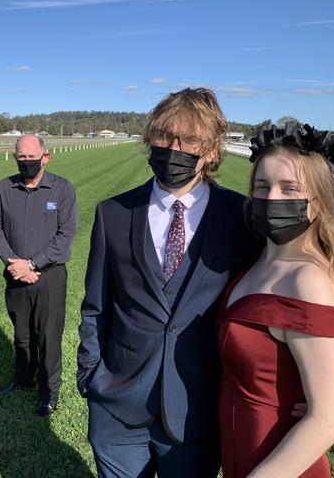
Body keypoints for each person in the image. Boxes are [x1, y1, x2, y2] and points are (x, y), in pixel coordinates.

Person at [77, 88, 260, 477]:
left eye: (189, 140)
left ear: (211, 150)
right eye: (164, 136)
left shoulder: (240, 218)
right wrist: (91, 377)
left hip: (199, 410)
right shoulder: (113, 214)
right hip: (117, 409)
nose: (173, 147)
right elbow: (96, 305)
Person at [217, 123, 334, 477]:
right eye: (262, 187)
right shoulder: (260, 261)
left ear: (320, 201)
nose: (272, 199)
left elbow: (328, 420)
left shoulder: (309, 281)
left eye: (290, 188)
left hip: (279, 463)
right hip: (242, 448)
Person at [0, 134, 77, 417]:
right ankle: (24, 377)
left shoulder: (62, 189)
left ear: (45, 157)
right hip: (15, 274)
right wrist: (13, 263)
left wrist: (33, 265)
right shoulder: (5, 188)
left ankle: (49, 391)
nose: (27, 162)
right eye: (21, 157)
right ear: (15, 158)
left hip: (49, 277)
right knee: (22, 334)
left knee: (48, 337)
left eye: (32, 157)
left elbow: (65, 236)